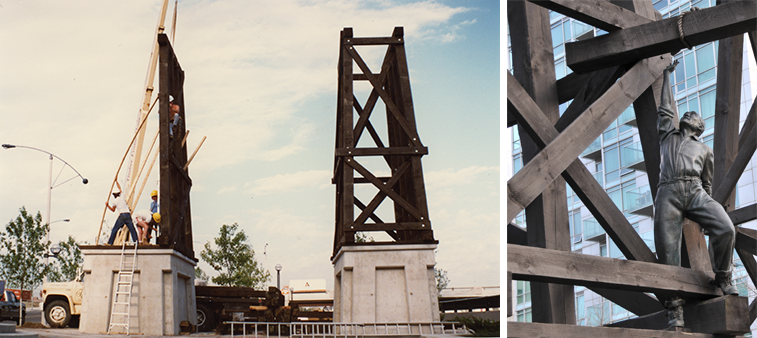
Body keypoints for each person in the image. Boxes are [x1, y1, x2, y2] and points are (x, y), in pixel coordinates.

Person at [655, 60, 738, 328]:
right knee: (668, 253)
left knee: (726, 228)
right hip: (667, 192)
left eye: (694, 115)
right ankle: (674, 309)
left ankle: (723, 276)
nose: (689, 113)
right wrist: (667, 75)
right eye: (687, 113)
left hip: (694, 190)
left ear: (700, 127)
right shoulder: (668, 136)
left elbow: (707, 184)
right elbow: (666, 107)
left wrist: (706, 215)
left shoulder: (704, 150)